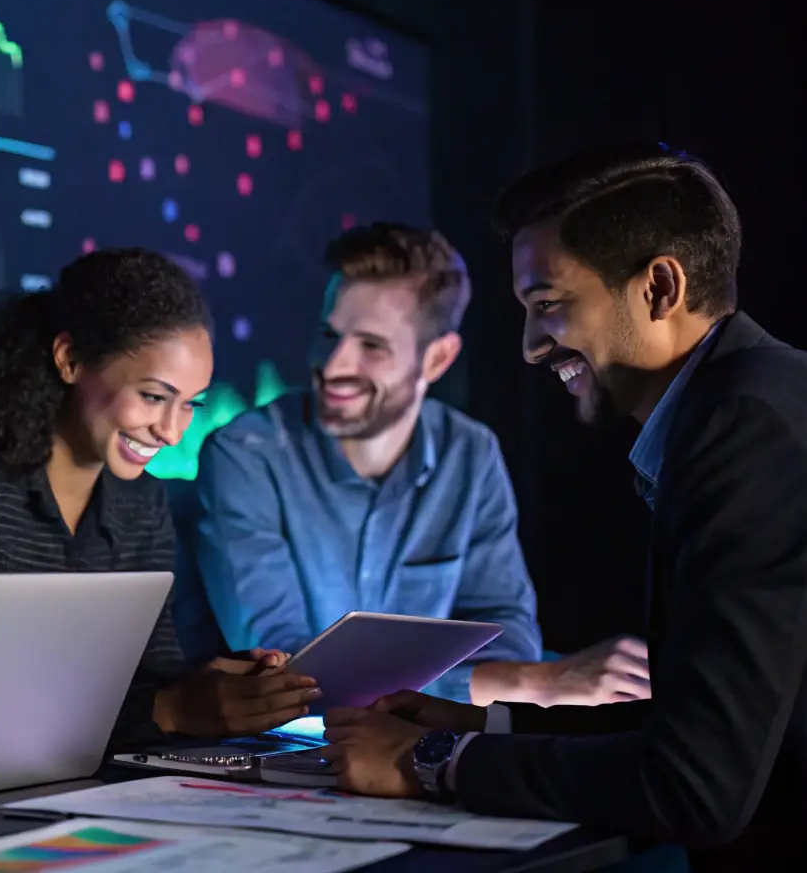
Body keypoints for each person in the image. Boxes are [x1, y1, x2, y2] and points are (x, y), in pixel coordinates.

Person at [322, 145, 807, 870]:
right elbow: (716, 726)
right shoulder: (755, 399)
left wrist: (431, 760)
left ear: (658, 288)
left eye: (546, 306)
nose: (527, 347)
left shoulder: (743, 431)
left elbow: (695, 785)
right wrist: (484, 726)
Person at [0, 247, 321, 744]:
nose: (172, 432)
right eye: (155, 397)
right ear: (70, 359)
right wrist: (168, 709)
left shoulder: (142, 501)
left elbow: (147, 682)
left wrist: (218, 687)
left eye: (190, 405)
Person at [190, 222, 646, 705]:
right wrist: (527, 683)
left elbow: (507, 635)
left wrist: (516, 678)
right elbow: (284, 674)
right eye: (329, 333)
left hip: (409, 747)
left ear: (438, 359)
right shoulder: (245, 453)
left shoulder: (470, 453)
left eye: (371, 346)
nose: (333, 364)